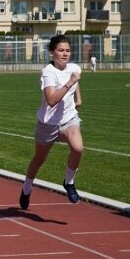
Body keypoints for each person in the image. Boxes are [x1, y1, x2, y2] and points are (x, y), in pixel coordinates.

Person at [19, 34, 83, 211]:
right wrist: (70, 83)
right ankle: (26, 188)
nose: (65, 54)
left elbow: (76, 84)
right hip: (48, 122)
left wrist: (78, 98)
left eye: (68, 50)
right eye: (60, 50)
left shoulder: (75, 68)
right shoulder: (48, 72)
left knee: (78, 148)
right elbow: (52, 100)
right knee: (39, 159)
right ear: (52, 53)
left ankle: (69, 182)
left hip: (68, 119)